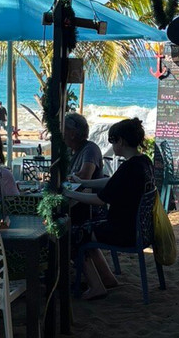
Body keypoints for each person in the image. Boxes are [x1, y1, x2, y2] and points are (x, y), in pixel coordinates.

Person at [63, 118, 153, 300]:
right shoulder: (142, 161)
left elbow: (99, 199)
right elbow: (112, 182)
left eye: (113, 140)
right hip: (139, 229)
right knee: (86, 228)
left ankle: (96, 286)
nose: (112, 145)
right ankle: (107, 278)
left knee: (72, 234)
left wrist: (71, 194)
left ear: (121, 141)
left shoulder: (129, 168)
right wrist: (84, 182)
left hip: (122, 231)